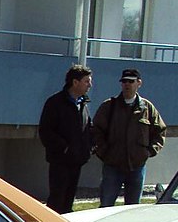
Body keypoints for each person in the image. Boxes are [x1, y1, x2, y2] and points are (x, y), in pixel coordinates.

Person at [92, 67, 167, 207]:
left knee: (132, 209)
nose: (127, 84)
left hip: (136, 167)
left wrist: (149, 151)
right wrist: (103, 152)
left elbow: (160, 131)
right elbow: (96, 131)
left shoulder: (147, 108)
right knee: (106, 206)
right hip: (112, 166)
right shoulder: (109, 106)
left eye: (131, 81)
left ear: (139, 83)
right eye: (124, 81)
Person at [38, 64, 94, 213]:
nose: (90, 85)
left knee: (69, 201)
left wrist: (88, 148)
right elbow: (46, 131)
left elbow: (88, 128)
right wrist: (64, 147)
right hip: (60, 161)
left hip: (77, 160)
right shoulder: (55, 103)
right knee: (57, 200)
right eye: (86, 81)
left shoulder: (83, 103)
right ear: (75, 82)